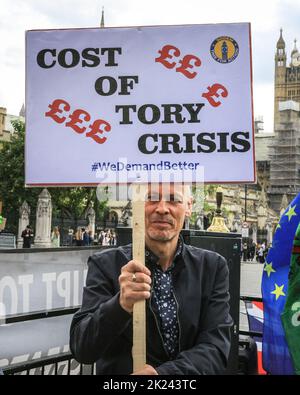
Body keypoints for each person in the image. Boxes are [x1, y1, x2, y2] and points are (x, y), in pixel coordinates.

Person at [69, 183, 232, 375]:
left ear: (189, 206)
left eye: (174, 199)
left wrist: (163, 376)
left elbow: (216, 348)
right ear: (137, 205)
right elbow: (83, 349)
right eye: (152, 198)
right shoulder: (105, 264)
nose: (162, 208)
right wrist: (120, 305)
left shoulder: (212, 267)